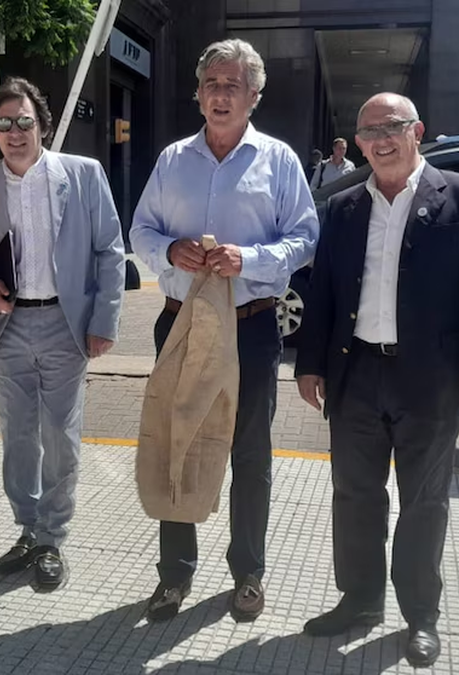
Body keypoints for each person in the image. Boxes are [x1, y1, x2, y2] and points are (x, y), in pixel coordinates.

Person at [294, 93, 459, 667]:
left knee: (424, 501)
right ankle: (360, 600)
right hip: (355, 372)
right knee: (355, 494)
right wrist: (309, 362)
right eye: (369, 131)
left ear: (417, 130)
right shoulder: (339, 207)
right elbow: (324, 294)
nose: (381, 139)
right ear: (357, 143)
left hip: (432, 380)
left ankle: (420, 616)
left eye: (392, 127)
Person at [130, 39, 319, 624]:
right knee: (176, 441)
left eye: (232, 85)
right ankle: (174, 576)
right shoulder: (171, 160)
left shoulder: (279, 160)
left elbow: (305, 238)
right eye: (211, 84)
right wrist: (169, 249)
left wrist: (252, 260)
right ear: (198, 92)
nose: (219, 94)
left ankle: (248, 574)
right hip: (180, 324)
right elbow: (139, 231)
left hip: (252, 326)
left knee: (249, 453)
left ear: (254, 96)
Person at [0, 77, 126, 592]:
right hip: (10, 324)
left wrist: (104, 321)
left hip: (64, 323)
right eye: (4, 124)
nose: (15, 132)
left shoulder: (83, 174)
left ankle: (52, 537)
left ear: (43, 125)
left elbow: (109, 250)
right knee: (17, 436)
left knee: (60, 435)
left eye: (25, 121)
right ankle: (28, 529)